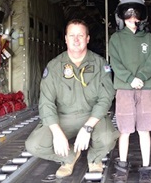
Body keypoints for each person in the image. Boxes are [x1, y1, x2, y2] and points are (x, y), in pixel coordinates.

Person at [25, 19, 119, 179]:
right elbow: (46, 102)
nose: (76, 40)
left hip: (92, 116)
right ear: (66, 39)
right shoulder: (54, 66)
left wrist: (88, 127)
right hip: (63, 118)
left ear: (87, 39)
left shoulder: (100, 64)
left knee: (108, 138)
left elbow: (106, 97)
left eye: (80, 35)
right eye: (72, 35)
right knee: (34, 145)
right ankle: (69, 157)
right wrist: (56, 133)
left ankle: (95, 158)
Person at [108, 0, 151, 183]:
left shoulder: (149, 39)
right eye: (127, 14)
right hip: (124, 88)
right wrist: (130, 79)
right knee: (125, 130)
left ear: (142, 16)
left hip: (144, 89)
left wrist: (141, 78)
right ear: (121, 17)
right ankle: (122, 166)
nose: (132, 19)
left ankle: (146, 168)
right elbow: (115, 62)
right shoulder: (116, 39)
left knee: (145, 129)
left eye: (136, 14)